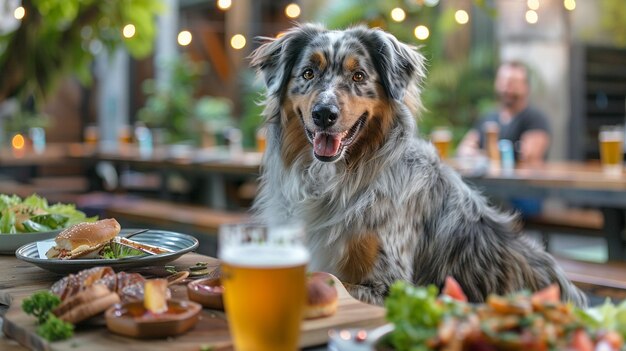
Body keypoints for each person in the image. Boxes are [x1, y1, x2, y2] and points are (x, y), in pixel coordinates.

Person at [457, 61, 550, 165]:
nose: (507, 88)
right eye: (503, 81)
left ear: (526, 87)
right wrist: (469, 153)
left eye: (513, 83)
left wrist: (483, 156)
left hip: (519, 181)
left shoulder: (535, 118)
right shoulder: (488, 117)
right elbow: (465, 148)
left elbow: (529, 158)